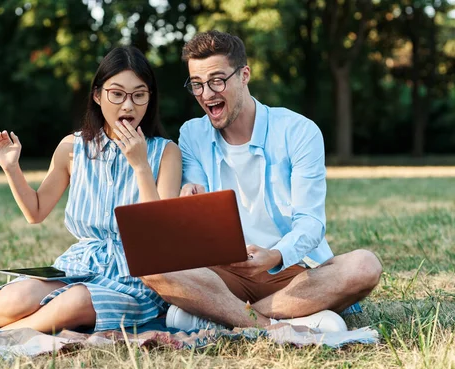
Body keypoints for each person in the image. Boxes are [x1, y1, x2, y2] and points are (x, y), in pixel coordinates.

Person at [0, 46, 182, 347]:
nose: (128, 105)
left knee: (74, 302)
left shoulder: (165, 153)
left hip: (135, 277)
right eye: (117, 94)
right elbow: (35, 212)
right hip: (81, 264)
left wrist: (140, 165)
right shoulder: (72, 148)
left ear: (149, 98)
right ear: (97, 95)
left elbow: (161, 236)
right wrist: (11, 168)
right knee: (16, 296)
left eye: (139, 95)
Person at [140, 31, 383, 333]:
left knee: (364, 265)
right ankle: (276, 325)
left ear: (244, 75)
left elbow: (310, 223)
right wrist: (189, 199)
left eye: (217, 80)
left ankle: (229, 318)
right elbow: (197, 206)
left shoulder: (299, 132)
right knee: (149, 261)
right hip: (224, 274)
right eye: (197, 85)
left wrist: (275, 254)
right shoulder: (192, 135)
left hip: (292, 274)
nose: (206, 94)